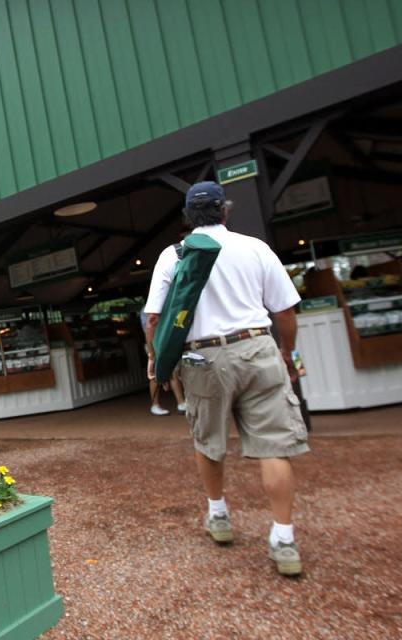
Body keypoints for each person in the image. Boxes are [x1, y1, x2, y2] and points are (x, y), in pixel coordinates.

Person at [143, 181, 308, 576]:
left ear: (188, 216)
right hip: (256, 348)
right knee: (274, 447)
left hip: (203, 357)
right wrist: (289, 353)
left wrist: (156, 359)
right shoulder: (255, 248)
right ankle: (284, 539)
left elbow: (153, 317)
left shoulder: (174, 254)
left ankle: (218, 516)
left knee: (208, 439)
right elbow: (285, 311)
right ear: (225, 211)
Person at [140, 309, 186, 415]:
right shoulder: (147, 310)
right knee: (156, 375)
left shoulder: (166, 305)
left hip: (166, 344)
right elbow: (149, 331)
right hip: (155, 345)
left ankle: (181, 403)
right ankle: (155, 405)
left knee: (174, 373)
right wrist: (152, 354)